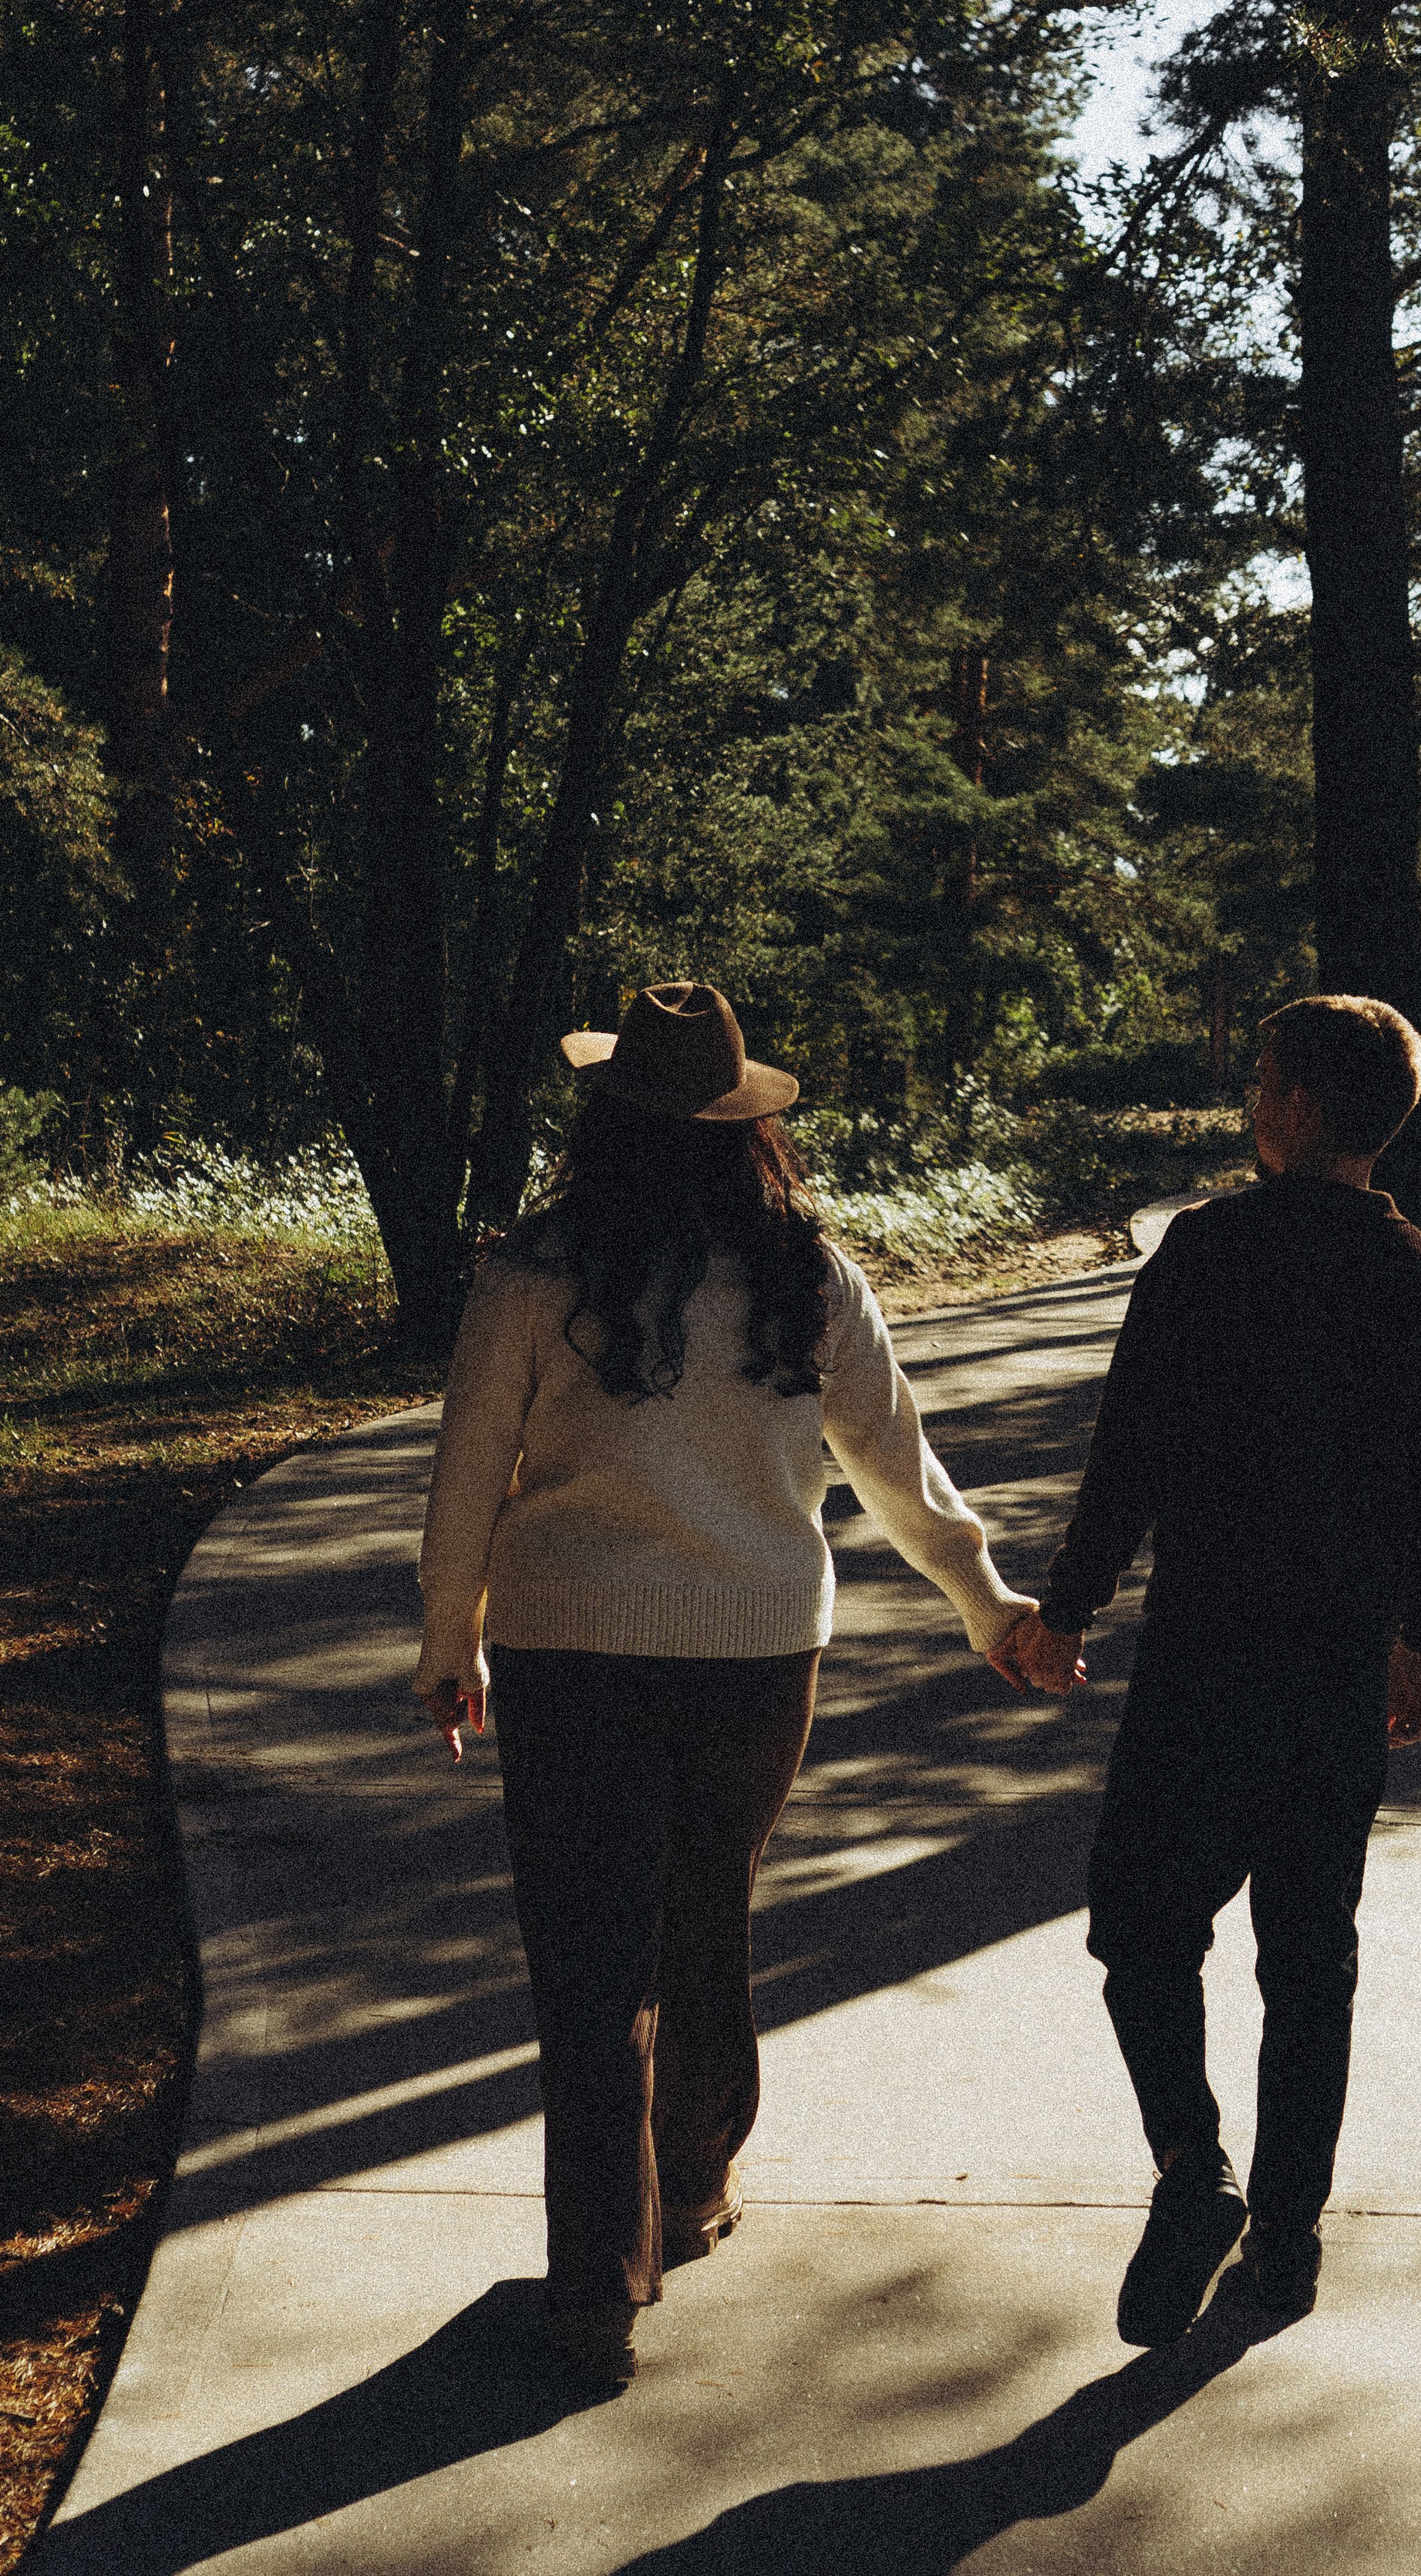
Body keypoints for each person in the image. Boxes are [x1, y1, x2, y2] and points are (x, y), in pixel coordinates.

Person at [414, 983, 1036, 2391]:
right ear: (748, 1127)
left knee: (593, 1967)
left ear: (605, 1120)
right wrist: (987, 1604)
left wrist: (451, 1640)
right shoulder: (807, 1277)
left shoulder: (534, 1272)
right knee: (705, 1915)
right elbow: (897, 1468)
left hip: (574, 1654)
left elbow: (467, 1472)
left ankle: (594, 2291)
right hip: (758, 1657)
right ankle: (694, 2183)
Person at [1010, 995, 1421, 2343]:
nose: (1251, 1099)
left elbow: (1132, 1447)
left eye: (1262, 1077)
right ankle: (1287, 2234)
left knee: (1141, 1923)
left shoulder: (1208, 1252)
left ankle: (1192, 2165)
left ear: (1296, 1105)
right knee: (1310, 1955)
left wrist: (1068, 1607)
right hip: (1338, 1667)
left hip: (1206, 1655)